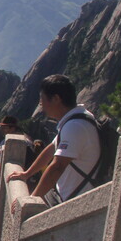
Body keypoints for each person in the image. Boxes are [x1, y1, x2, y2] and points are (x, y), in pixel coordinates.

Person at [8, 74, 100, 205]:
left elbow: (57, 166)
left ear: (56, 99)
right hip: (61, 194)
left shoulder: (75, 126)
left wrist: (31, 200)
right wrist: (27, 174)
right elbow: (51, 149)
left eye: (42, 99)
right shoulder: (78, 118)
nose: (41, 105)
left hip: (72, 201)